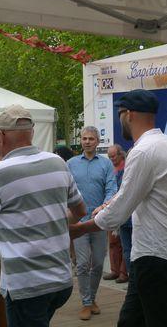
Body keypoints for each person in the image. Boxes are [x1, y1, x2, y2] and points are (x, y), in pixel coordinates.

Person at [70, 89, 167, 327]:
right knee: (131, 321)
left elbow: (120, 209)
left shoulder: (142, 151)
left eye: (120, 113)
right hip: (166, 251)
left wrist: (80, 229)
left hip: (154, 254)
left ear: (128, 114)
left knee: (162, 320)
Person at [0, 104, 87, 327]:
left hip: (27, 284)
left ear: (1, 135)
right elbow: (79, 211)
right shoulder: (57, 162)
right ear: (32, 132)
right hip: (61, 280)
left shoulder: (0, 172)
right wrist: (51, 225)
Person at [67, 126, 117, 320]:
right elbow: (64, 188)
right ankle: (86, 302)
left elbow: (112, 189)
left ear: (97, 141)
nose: (87, 141)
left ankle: (93, 298)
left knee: (97, 263)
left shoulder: (105, 165)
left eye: (91, 139)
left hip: (98, 221)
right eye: (84, 138)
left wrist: (105, 205)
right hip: (77, 221)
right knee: (82, 264)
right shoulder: (70, 163)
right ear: (81, 140)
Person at [103, 144, 129, 284]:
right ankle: (114, 270)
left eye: (113, 156)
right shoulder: (109, 169)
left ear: (120, 154)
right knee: (113, 242)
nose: (112, 159)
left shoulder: (127, 168)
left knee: (125, 244)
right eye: (109, 157)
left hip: (123, 209)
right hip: (112, 209)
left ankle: (124, 273)